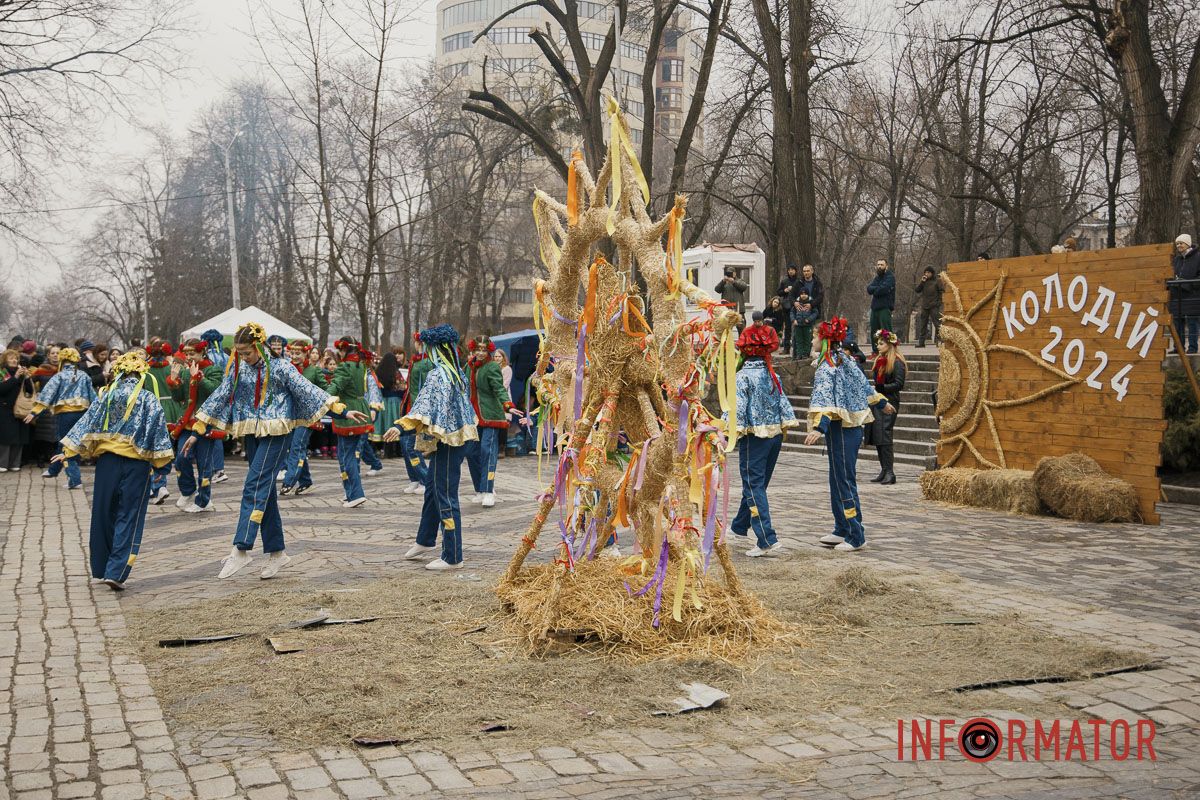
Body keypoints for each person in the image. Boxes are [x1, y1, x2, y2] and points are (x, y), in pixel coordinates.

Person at [188, 321, 368, 579]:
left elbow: (309, 390)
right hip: (251, 431)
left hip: (277, 432)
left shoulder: (282, 367)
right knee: (265, 490)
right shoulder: (239, 368)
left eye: (247, 352)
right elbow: (220, 394)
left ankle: (241, 548)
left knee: (254, 483)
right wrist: (198, 429)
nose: (243, 357)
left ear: (259, 347)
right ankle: (277, 551)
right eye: (239, 353)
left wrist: (340, 409)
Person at [55, 351, 174, 590]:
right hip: (137, 464)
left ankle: (101, 566)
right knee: (129, 515)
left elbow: (87, 423)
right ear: (141, 373)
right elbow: (158, 431)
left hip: (107, 462)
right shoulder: (148, 398)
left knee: (103, 513)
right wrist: (163, 465)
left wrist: (69, 452)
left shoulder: (106, 395)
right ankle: (116, 570)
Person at [383, 323, 478, 570]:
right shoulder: (455, 371)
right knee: (433, 490)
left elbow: (425, 405)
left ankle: (453, 555)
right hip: (454, 438)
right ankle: (425, 540)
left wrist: (401, 426)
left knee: (445, 494)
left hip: (449, 441)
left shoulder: (440, 374)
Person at [804, 318, 893, 552]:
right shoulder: (843, 360)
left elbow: (827, 398)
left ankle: (856, 534)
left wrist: (818, 428)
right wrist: (881, 402)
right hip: (842, 427)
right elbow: (862, 385)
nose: (812, 340)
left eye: (815, 337)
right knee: (836, 478)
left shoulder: (831, 365)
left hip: (844, 428)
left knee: (844, 479)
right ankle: (841, 527)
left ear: (824, 340)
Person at [728, 313, 797, 557]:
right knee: (758, 483)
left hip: (755, 438)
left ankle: (766, 538)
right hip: (775, 436)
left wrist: (725, 433)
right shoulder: (772, 375)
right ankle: (739, 526)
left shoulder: (743, 376)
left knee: (753, 484)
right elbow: (784, 405)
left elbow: (736, 410)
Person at [166, 339, 225, 513]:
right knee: (181, 459)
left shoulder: (213, 370)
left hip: (206, 423)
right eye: (187, 354)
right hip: (187, 424)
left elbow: (215, 392)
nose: (189, 357)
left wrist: (198, 377)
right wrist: (174, 381)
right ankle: (188, 490)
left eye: (193, 354)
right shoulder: (184, 372)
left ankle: (204, 501)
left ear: (202, 353)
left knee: (204, 464)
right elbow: (178, 399)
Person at [25, 347, 96, 488]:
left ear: (62, 361)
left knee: (65, 444)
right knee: (73, 442)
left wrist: (34, 412)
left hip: (65, 415)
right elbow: (93, 398)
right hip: (82, 415)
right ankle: (54, 469)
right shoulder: (84, 376)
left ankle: (75, 479)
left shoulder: (59, 376)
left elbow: (47, 394)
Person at [325, 336, 375, 508]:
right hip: (361, 410)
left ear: (344, 349)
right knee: (345, 455)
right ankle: (349, 493)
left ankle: (356, 494)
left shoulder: (345, 367)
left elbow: (336, 386)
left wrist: (324, 397)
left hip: (349, 416)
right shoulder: (360, 365)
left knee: (347, 457)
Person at [464, 335, 514, 508]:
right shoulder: (469, 366)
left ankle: (488, 490)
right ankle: (479, 489)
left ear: (489, 351)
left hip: (491, 415)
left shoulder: (492, 367)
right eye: (478, 349)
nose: (480, 353)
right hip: (473, 417)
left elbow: (499, 388)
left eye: (484, 350)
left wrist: (507, 405)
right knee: (470, 453)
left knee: (488, 451)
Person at [280, 342, 324, 496]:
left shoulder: (314, 371)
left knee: (297, 447)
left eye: (298, 353)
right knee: (295, 447)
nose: (294, 356)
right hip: (290, 415)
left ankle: (289, 480)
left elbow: (325, 389)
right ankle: (305, 481)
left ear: (306, 354)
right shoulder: (287, 369)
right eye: (292, 353)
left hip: (307, 416)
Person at [145, 339, 183, 506]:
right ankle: (161, 484)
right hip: (172, 410)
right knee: (169, 447)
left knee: (154, 449)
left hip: (153, 409)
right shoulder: (171, 369)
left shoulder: (145, 371)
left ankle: (158, 485)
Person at [869, 330, 906, 485]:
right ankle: (884, 469)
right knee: (878, 436)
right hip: (879, 400)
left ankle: (890, 472)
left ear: (890, 344)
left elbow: (899, 384)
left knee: (885, 435)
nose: (878, 346)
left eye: (881, 343)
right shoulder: (880, 360)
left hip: (890, 401)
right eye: (878, 343)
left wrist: (882, 387)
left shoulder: (897, 361)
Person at [398, 333, 429, 494]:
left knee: (412, 446)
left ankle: (425, 479)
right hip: (408, 407)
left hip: (418, 409)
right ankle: (415, 478)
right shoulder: (416, 360)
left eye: (417, 342)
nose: (416, 344)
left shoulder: (426, 362)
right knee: (404, 445)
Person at [200, 329, 229, 483]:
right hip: (224, 397)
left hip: (209, 397)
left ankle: (216, 469)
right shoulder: (225, 356)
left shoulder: (208, 358)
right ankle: (217, 468)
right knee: (215, 432)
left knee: (210, 433)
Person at [0, 349, 35, 471]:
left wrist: (27, 378)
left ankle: (15, 463)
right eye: (11, 358)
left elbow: (29, 391)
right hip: (5, 409)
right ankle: (2, 463)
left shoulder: (21, 373)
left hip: (21, 409)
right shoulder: (2, 372)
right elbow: (2, 389)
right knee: (6, 437)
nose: (14, 360)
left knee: (20, 436)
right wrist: (15, 377)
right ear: (5, 360)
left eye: (16, 358)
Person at [1171, 234, 1199, 354]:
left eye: (1181, 243)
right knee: (1177, 322)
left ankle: (1192, 348)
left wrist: (1188, 284)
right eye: (1177, 244)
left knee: (1192, 321)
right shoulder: (1177, 259)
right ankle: (1179, 347)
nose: (1179, 246)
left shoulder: (1198, 257)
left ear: (1187, 243)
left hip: (1192, 295)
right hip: (1177, 295)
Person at [866, 259, 895, 353]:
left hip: (885, 307)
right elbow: (869, 289)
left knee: (887, 330)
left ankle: (891, 350)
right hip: (874, 308)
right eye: (878, 264)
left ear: (886, 266)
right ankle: (875, 351)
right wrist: (877, 289)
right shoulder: (877, 278)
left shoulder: (890, 277)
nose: (879, 266)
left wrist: (876, 289)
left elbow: (884, 289)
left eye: (882, 265)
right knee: (874, 331)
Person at [913, 267, 945, 348]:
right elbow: (917, 290)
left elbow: (942, 292)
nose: (926, 274)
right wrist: (922, 282)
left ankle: (941, 341)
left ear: (932, 273)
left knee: (937, 324)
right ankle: (921, 343)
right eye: (925, 272)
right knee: (923, 324)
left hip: (934, 305)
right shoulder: (924, 281)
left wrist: (939, 303)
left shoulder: (937, 281)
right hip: (925, 306)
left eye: (928, 272)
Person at [776, 264, 802, 354]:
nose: (790, 271)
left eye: (792, 270)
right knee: (787, 328)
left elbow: (803, 292)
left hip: (797, 306)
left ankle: (797, 348)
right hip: (786, 306)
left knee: (797, 326)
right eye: (789, 270)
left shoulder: (799, 281)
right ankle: (786, 348)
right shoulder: (784, 281)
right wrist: (785, 291)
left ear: (796, 271)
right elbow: (778, 292)